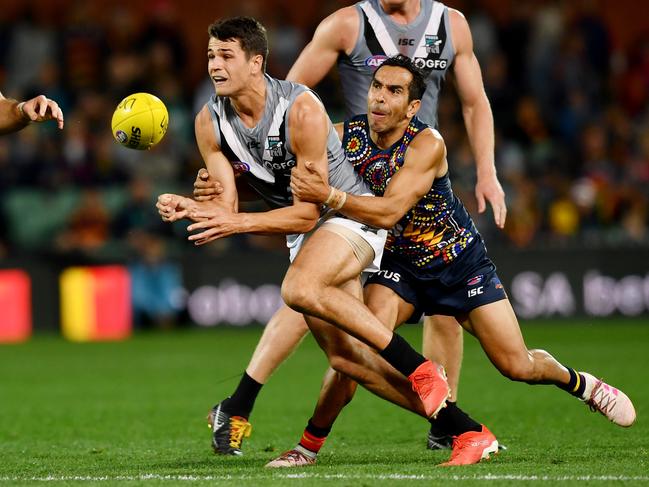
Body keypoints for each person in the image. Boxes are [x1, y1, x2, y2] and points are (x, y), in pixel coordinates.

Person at [262, 56, 635, 468]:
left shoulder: (427, 144)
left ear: (412, 108)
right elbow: (288, 163)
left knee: (517, 365)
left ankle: (582, 385)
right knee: (357, 348)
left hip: (459, 266)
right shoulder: (344, 136)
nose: (380, 98)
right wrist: (230, 180)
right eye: (376, 87)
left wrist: (330, 195)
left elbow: (388, 213)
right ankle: (308, 446)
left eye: (394, 91)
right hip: (398, 267)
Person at [192, 0, 504, 454]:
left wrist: (488, 171)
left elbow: (475, 102)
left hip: (382, 194)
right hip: (343, 176)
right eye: (211, 57)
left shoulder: (450, 24)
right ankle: (461, 427)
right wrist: (203, 195)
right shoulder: (343, 26)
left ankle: (417, 370)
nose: (215, 66)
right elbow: (280, 115)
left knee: (303, 290)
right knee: (348, 358)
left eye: (225, 56)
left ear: (254, 61)